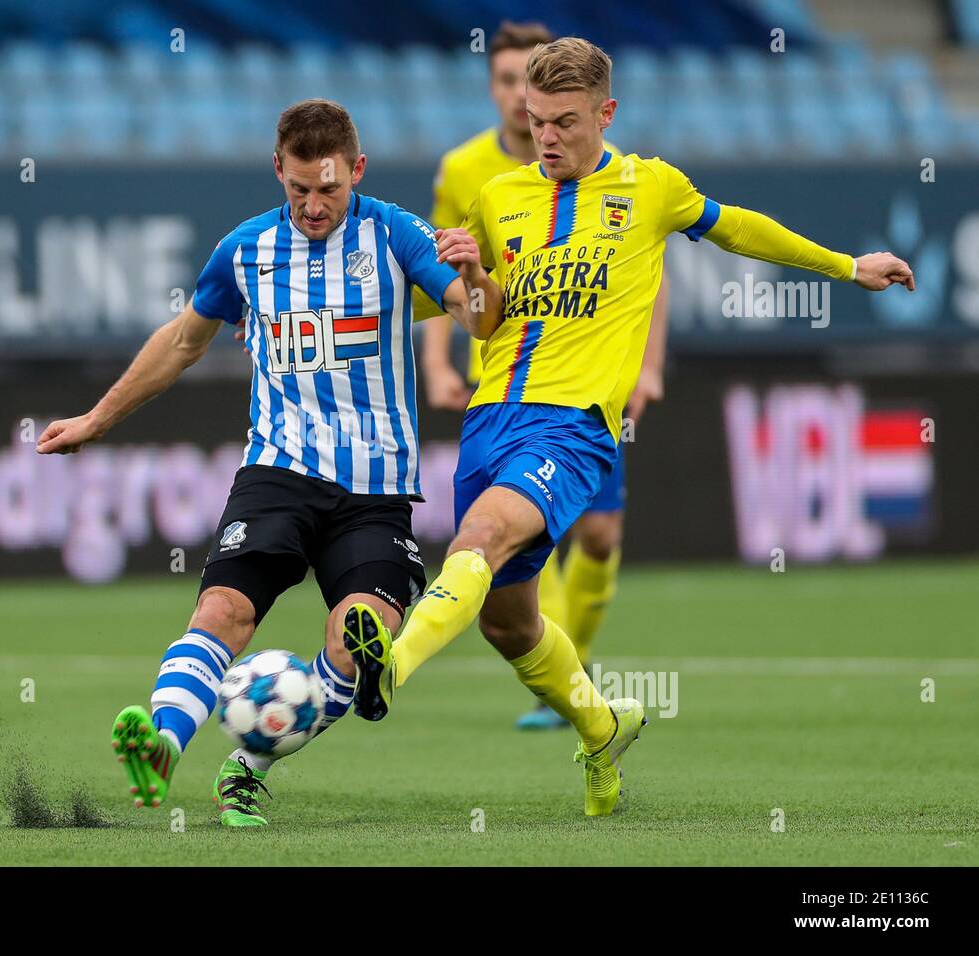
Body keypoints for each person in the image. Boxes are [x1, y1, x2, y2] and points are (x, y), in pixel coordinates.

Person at [345, 37, 915, 817]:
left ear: (605, 113)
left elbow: (741, 229)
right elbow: (473, 314)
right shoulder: (499, 195)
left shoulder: (651, 188)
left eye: (565, 122)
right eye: (537, 121)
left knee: (478, 538)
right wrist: (439, 284)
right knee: (509, 625)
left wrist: (847, 267)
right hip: (489, 419)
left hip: (572, 426)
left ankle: (389, 667)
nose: (547, 137)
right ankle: (603, 727)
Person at [37, 99, 483, 827]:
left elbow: (473, 314)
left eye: (329, 188)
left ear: (358, 170)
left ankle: (248, 766)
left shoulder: (398, 235)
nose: (313, 205)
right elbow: (183, 342)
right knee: (222, 610)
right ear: (278, 169)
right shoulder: (244, 251)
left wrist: (475, 277)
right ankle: (162, 748)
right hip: (278, 473)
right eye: (299, 188)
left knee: (358, 635)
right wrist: (95, 419)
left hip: (375, 490)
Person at [418, 20, 669, 731]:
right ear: (496, 89)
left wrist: (648, 366)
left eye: (520, 82)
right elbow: (442, 272)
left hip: (588, 384)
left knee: (600, 536)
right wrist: (436, 361)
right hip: (501, 386)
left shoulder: (624, 183)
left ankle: (571, 678)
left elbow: (648, 276)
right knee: (520, 540)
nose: (514, 98)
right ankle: (561, 692)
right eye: (503, 82)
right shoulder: (467, 173)